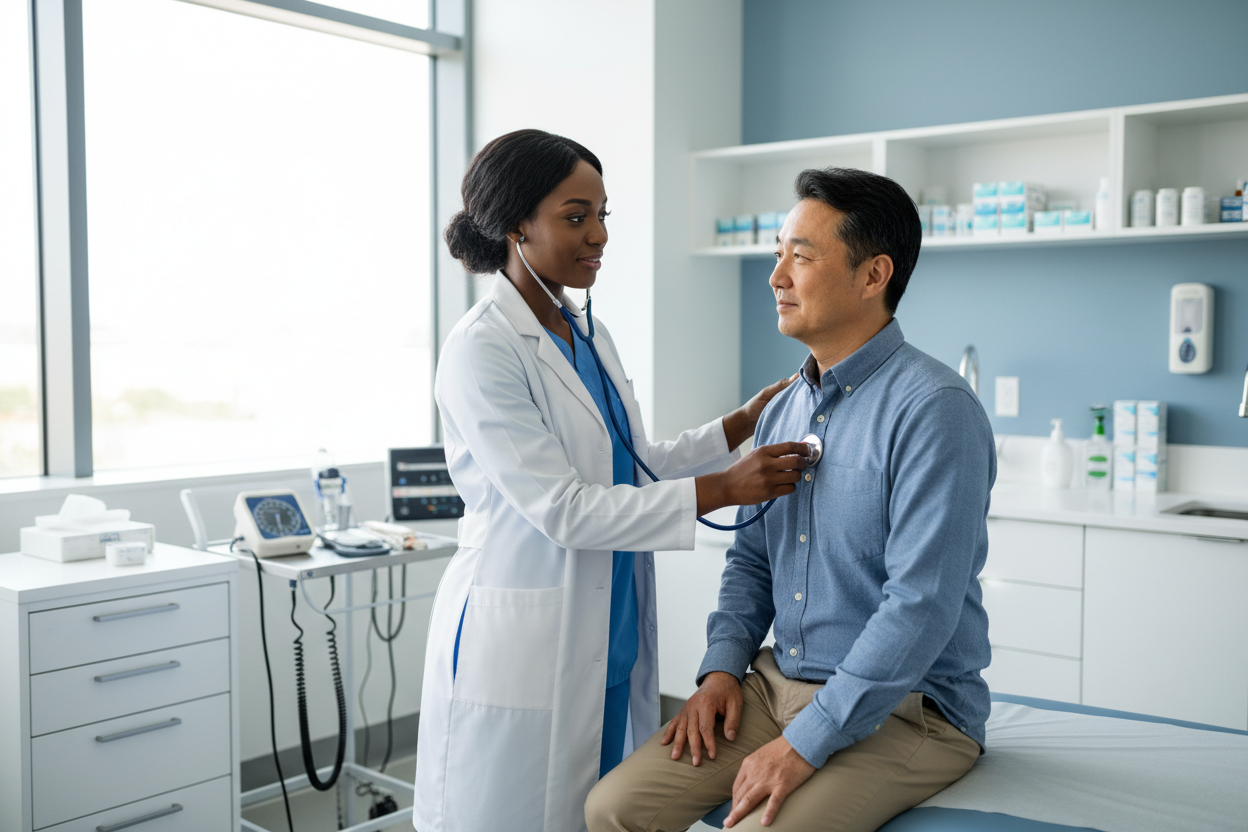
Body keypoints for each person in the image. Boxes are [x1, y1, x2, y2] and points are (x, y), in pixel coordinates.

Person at [413, 129, 810, 832]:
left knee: (594, 798)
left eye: (603, 215)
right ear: (516, 226)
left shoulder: (584, 331)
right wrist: (725, 487)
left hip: (608, 612)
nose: (598, 234)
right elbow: (563, 510)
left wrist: (737, 426)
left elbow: (633, 458)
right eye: (575, 216)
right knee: (514, 810)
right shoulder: (482, 350)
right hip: (529, 623)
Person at [585, 167, 996, 832]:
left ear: (873, 275)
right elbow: (752, 562)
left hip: (909, 707)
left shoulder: (934, 410)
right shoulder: (785, 409)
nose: (776, 276)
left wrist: (807, 744)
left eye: (800, 257)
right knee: (611, 808)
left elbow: (920, 606)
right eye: (778, 253)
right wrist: (721, 669)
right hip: (775, 687)